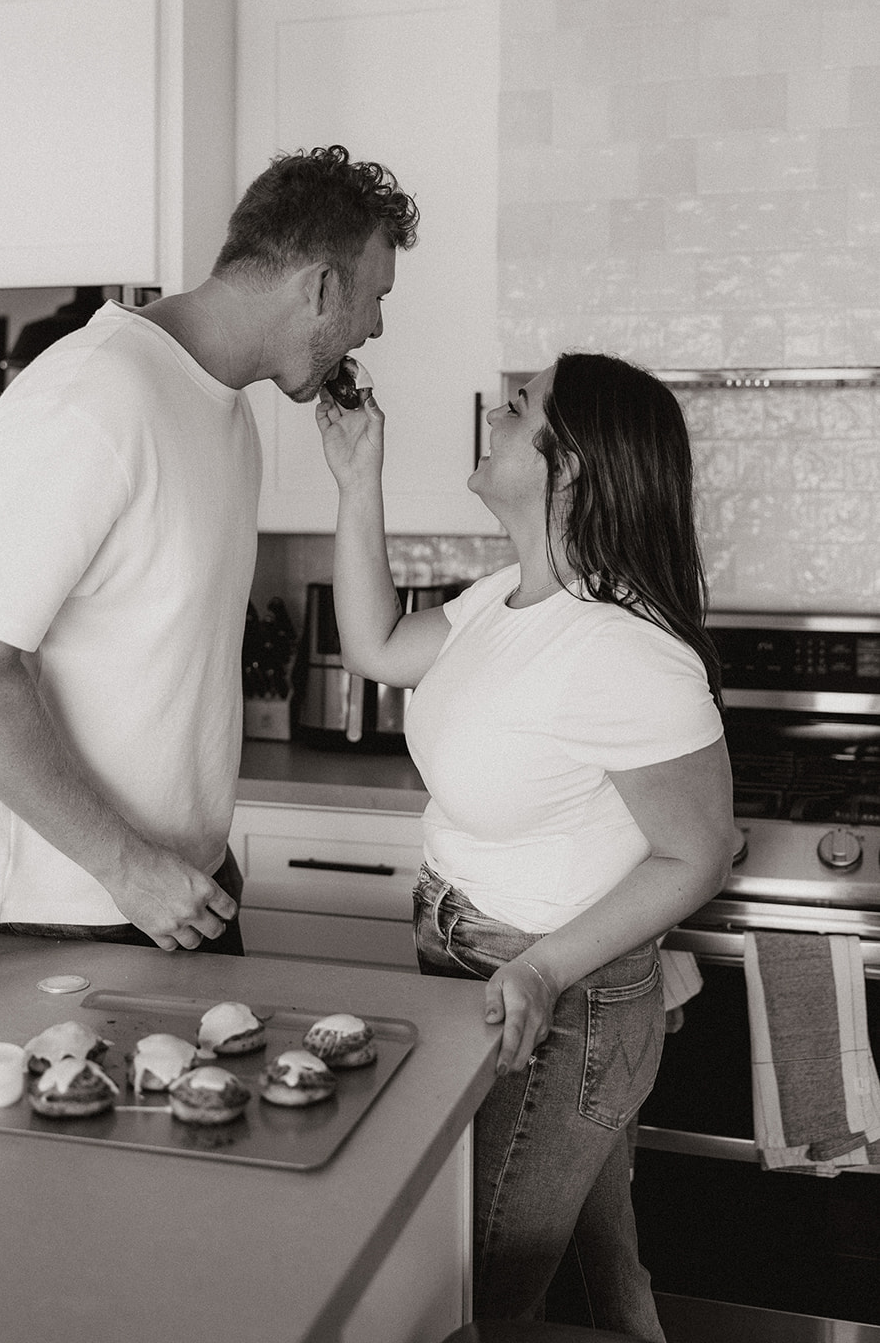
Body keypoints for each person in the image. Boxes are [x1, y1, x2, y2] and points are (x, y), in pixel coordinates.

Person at [0, 145, 419, 954]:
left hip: (173, 889)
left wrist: (178, 867)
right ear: (320, 286)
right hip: (49, 909)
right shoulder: (94, 394)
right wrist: (129, 867)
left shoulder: (225, 411)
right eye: (374, 298)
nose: (375, 328)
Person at [316, 351, 734, 1338]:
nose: (491, 414)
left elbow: (697, 853)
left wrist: (543, 972)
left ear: (572, 465)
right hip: (478, 978)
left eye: (516, 406)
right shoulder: (503, 598)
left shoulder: (625, 651)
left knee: (484, 1290)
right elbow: (374, 646)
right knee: (594, 1281)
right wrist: (357, 479)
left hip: (554, 1010)